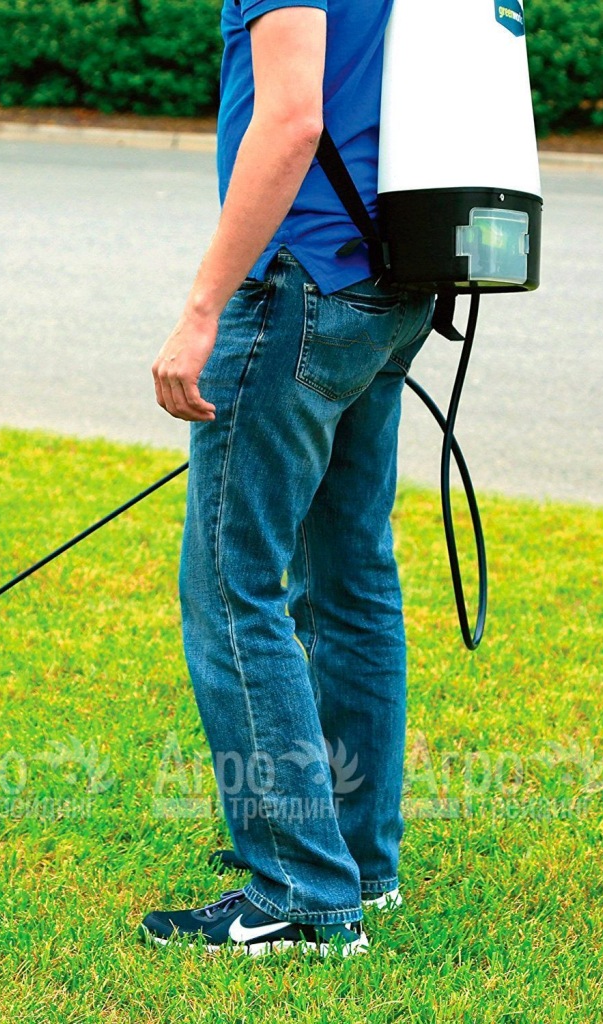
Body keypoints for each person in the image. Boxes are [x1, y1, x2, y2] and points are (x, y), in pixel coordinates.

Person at [142, 0, 436, 956]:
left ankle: (303, 895)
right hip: (388, 274)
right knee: (353, 577)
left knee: (233, 586)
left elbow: (292, 117)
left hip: (301, 279)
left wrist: (203, 311)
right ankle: (358, 863)